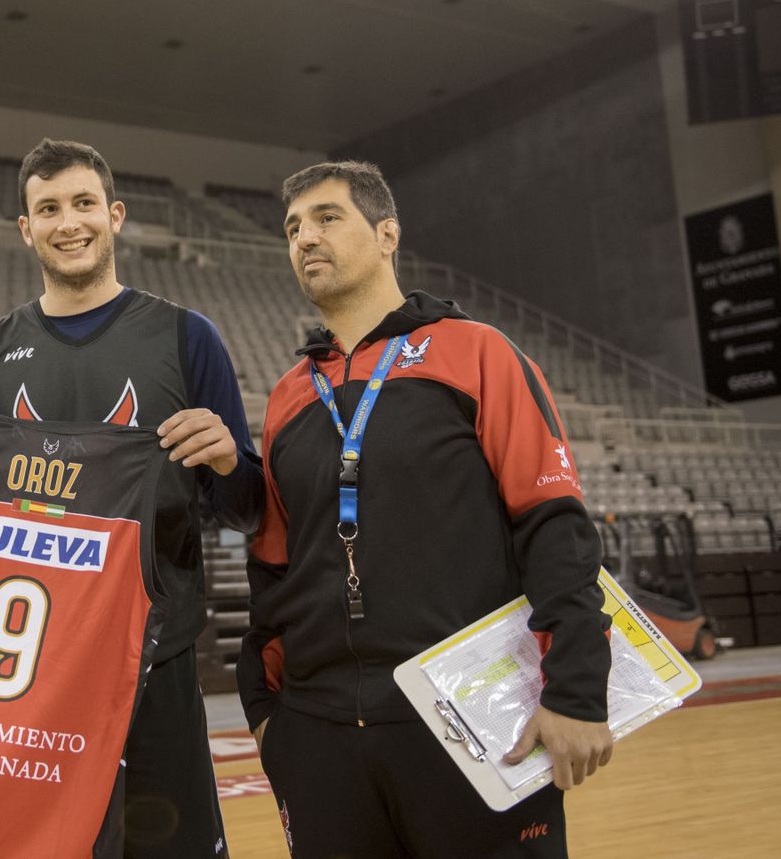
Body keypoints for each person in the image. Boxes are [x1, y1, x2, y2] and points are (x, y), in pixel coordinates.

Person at [0, 139, 263, 858]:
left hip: (156, 657)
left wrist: (225, 460)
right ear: (25, 229)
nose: (70, 222)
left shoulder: (189, 338)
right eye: (48, 209)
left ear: (115, 214)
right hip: (29, 669)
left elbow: (247, 512)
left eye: (84, 203)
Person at [239, 161, 612, 858]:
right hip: (320, 739)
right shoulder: (289, 397)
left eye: (326, 218)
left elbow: (553, 526)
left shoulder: (479, 353)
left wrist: (578, 690)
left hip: (470, 721)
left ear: (387, 234)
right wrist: (267, 716)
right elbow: (274, 566)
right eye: (292, 227)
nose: (305, 238)